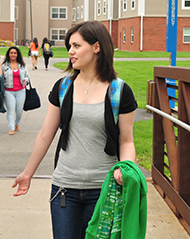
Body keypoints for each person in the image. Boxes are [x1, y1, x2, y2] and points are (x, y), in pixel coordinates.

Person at [12, 21, 138, 239]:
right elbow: (45, 135)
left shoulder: (119, 91)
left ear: (96, 47)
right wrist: (27, 173)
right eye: (70, 46)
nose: (70, 51)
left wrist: (126, 170)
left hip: (103, 190)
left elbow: (126, 141)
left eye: (77, 46)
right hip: (64, 189)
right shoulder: (63, 87)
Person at [1, 46, 29, 135]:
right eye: (11, 53)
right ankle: (11, 127)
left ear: (17, 55)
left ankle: (17, 123)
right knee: (11, 109)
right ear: (8, 54)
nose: (13, 55)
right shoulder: (4, 65)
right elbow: (0, 77)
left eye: (15, 53)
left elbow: (27, 76)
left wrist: (25, 81)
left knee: (19, 110)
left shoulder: (22, 65)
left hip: (21, 90)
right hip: (8, 90)